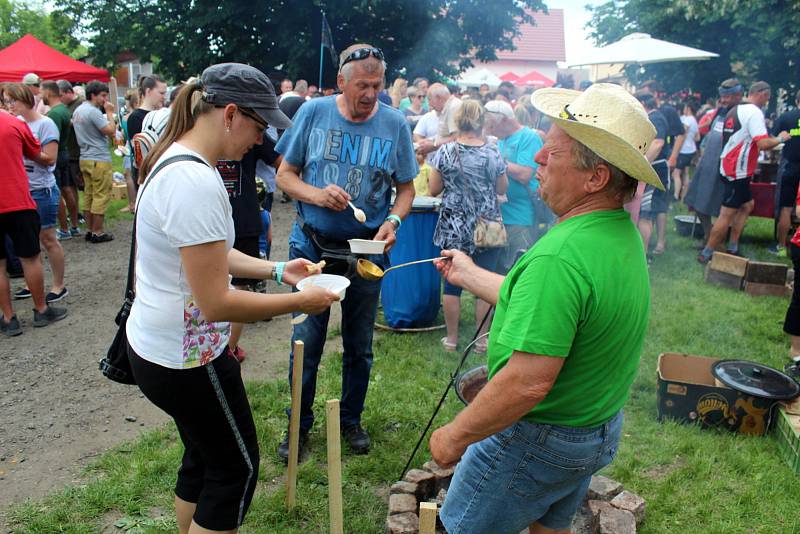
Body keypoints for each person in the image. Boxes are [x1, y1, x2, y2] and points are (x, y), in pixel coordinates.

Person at [429, 83, 660, 534]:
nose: (537, 159)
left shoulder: (561, 256)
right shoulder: (617, 232)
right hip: (595, 428)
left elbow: (527, 383)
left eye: (551, 153)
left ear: (595, 178)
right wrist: (470, 274)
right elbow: (557, 310)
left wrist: (453, 436)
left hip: (538, 437)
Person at [127, 63, 339, 534]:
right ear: (229, 114)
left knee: (203, 460)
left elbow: (215, 254)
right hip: (189, 360)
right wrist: (300, 302)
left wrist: (280, 270)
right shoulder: (196, 182)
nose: (261, 140)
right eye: (260, 127)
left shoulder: (176, 159)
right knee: (234, 471)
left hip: (158, 348)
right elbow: (216, 304)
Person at [275, 43, 417, 459]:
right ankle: (297, 427)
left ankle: (350, 420)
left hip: (366, 252)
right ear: (341, 82)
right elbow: (285, 175)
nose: (370, 94)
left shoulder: (394, 124)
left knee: (360, 344)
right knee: (306, 341)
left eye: (377, 85)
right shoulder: (313, 113)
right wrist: (317, 195)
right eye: (362, 85)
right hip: (312, 246)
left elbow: (406, 189)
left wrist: (394, 221)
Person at [429, 99, 508, 353]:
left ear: (457, 120)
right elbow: (502, 188)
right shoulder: (493, 151)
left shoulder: (445, 152)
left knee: (451, 282)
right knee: (483, 281)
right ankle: (482, 341)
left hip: (454, 225)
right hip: (487, 226)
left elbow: (434, 188)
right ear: (481, 120)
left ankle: (452, 340)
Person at [0, 87, 68, 337]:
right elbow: (38, 154)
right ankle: (41, 309)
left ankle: (8, 318)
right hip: (18, 199)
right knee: (30, 257)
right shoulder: (13, 124)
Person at [699, 81, 791, 263]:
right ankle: (707, 253)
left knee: (747, 205)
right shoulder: (754, 112)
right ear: (762, 94)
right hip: (737, 170)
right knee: (727, 213)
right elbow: (763, 144)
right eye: (767, 98)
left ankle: (733, 246)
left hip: (730, 165)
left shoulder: (736, 110)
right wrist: (782, 138)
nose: (767, 102)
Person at [217, 131, 282, 362]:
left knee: (235, 283)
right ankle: (229, 350)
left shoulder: (248, 130)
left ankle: (229, 348)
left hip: (236, 216)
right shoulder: (251, 128)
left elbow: (282, 161)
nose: (255, 138)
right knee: (238, 285)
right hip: (240, 215)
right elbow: (281, 160)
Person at [484, 99, 544, 273]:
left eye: (491, 127)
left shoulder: (529, 137)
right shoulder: (500, 141)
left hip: (520, 218)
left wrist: (495, 158)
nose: (489, 131)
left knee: (516, 269)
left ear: (503, 120)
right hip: (496, 217)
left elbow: (525, 174)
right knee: (493, 270)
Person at [684, 79, 744, 244]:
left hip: (727, 169)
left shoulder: (743, 114)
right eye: (722, 96)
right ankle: (708, 234)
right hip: (708, 164)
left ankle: (720, 243)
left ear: (738, 95)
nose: (724, 100)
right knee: (697, 202)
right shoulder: (719, 113)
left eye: (728, 97)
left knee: (724, 209)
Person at [71, 80, 116, 242]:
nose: (105, 99)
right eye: (103, 95)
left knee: (89, 195)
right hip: (98, 158)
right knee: (100, 195)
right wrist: (109, 113)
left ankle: (90, 230)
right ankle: (98, 231)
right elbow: (110, 131)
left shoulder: (78, 111)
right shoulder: (93, 112)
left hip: (85, 157)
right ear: (93, 95)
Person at [40, 81, 80, 240]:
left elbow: (51, 137)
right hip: (65, 153)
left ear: (48, 93)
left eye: (41, 92)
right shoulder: (64, 110)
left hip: (57, 155)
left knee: (57, 193)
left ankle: (64, 229)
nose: (40, 96)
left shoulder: (54, 114)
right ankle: (75, 226)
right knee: (67, 189)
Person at [635, 93, 670, 258]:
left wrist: (641, 166)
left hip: (653, 170)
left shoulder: (655, 118)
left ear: (643, 103)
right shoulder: (651, 118)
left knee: (646, 214)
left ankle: (642, 256)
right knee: (644, 212)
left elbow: (658, 143)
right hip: (650, 170)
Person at [769, 89, 800, 255]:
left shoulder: (787, 117)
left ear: (796, 101)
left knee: (786, 208)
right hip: (792, 165)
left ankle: (781, 246)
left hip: (790, 166)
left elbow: (771, 140)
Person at [127, 75, 168, 186]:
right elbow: (140, 153)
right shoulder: (135, 118)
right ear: (148, 91)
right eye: (161, 93)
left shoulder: (164, 114)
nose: (164, 97)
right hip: (147, 176)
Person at [416, 83, 461, 157]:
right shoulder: (446, 107)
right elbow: (445, 135)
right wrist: (430, 141)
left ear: (439, 98)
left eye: (429, 99)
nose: (429, 104)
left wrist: (433, 145)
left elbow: (456, 138)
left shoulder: (454, 107)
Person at [675, 100, 700, 201]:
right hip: (691, 149)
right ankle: (684, 196)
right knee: (685, 173)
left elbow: (682, 134)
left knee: (676, 173)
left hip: (684, 150)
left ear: (688, 108)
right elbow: (697, 137)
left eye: (685, 107)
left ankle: (676, 195)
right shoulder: (694, 120)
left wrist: (678, 144)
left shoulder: (687, 120)